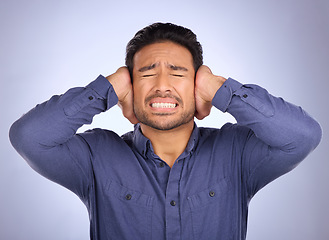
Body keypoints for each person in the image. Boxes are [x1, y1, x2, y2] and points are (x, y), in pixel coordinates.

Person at [9, 22, 322, 240]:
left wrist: (218, 88)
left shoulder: (236, 152)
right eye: (146, 73)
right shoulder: (95, 157)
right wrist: (110, 86)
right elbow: (29, 137)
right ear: (130, 86)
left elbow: (302, 136)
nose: (161, 85)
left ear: (196, 84)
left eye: (177, 73)